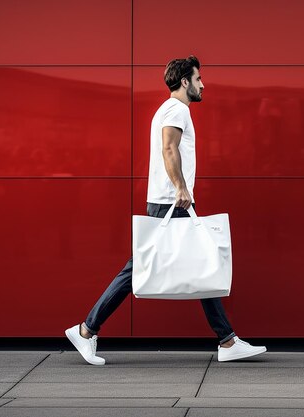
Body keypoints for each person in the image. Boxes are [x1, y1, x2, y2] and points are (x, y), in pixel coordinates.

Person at [65, 55, 267, 365]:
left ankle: (227, 341)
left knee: (191, 263)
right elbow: (169, 147)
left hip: (166, 199)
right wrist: (180, 188)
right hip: (170, 201)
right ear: (185, 82)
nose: (203, 84)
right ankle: (87, 329)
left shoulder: (168, 109)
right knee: (167, 265)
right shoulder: (177, 109)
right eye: (198, 79)